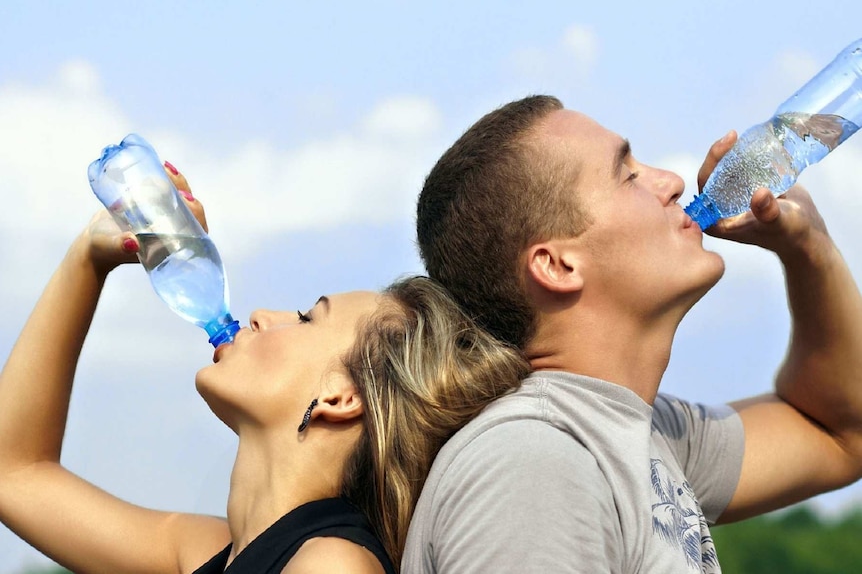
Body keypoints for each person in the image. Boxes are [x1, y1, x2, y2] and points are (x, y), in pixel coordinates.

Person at [403, 94, 862, 573]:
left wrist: (809, 247)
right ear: (558, 265)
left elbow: (840, 435)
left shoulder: (639, 434)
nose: (674, 182)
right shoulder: (533, 464)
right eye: (628, 175)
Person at [0, 164, 529, 574]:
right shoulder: (210, 554)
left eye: (305, 318)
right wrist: (89, 258)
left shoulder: (333, 564)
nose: (260, 316)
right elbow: (13, 473)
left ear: (341, 396)